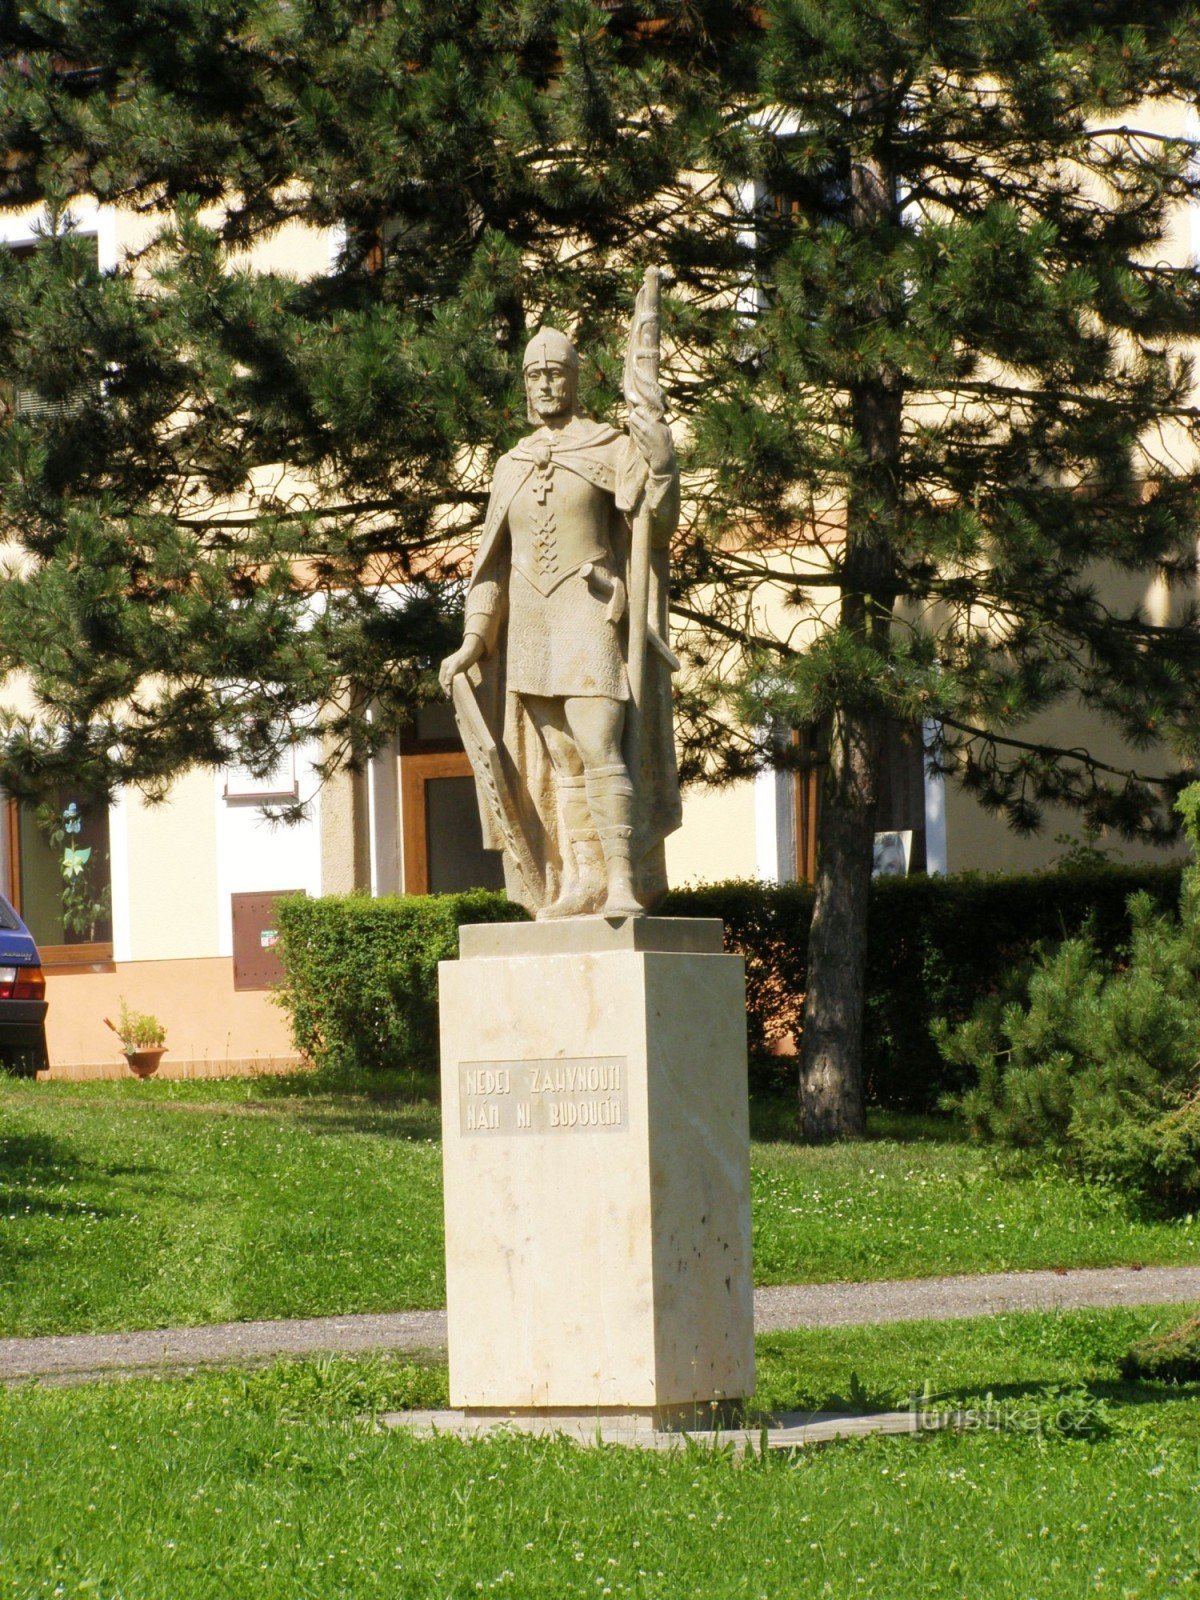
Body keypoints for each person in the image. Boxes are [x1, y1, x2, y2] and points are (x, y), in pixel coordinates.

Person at [439, 326, 681, 918]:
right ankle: (584, 880)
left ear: (574, 379)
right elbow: (493, 564)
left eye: (555, 373)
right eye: (534, 376)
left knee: (599, 743)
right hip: (530, 622)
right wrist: (473, 639)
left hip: (589, 608)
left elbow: (656, 522)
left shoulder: (609, 447)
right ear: (525, 386)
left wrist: (661, 463)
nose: (545, 384)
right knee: (563, 759)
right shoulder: (511, 464)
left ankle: (622, 879)